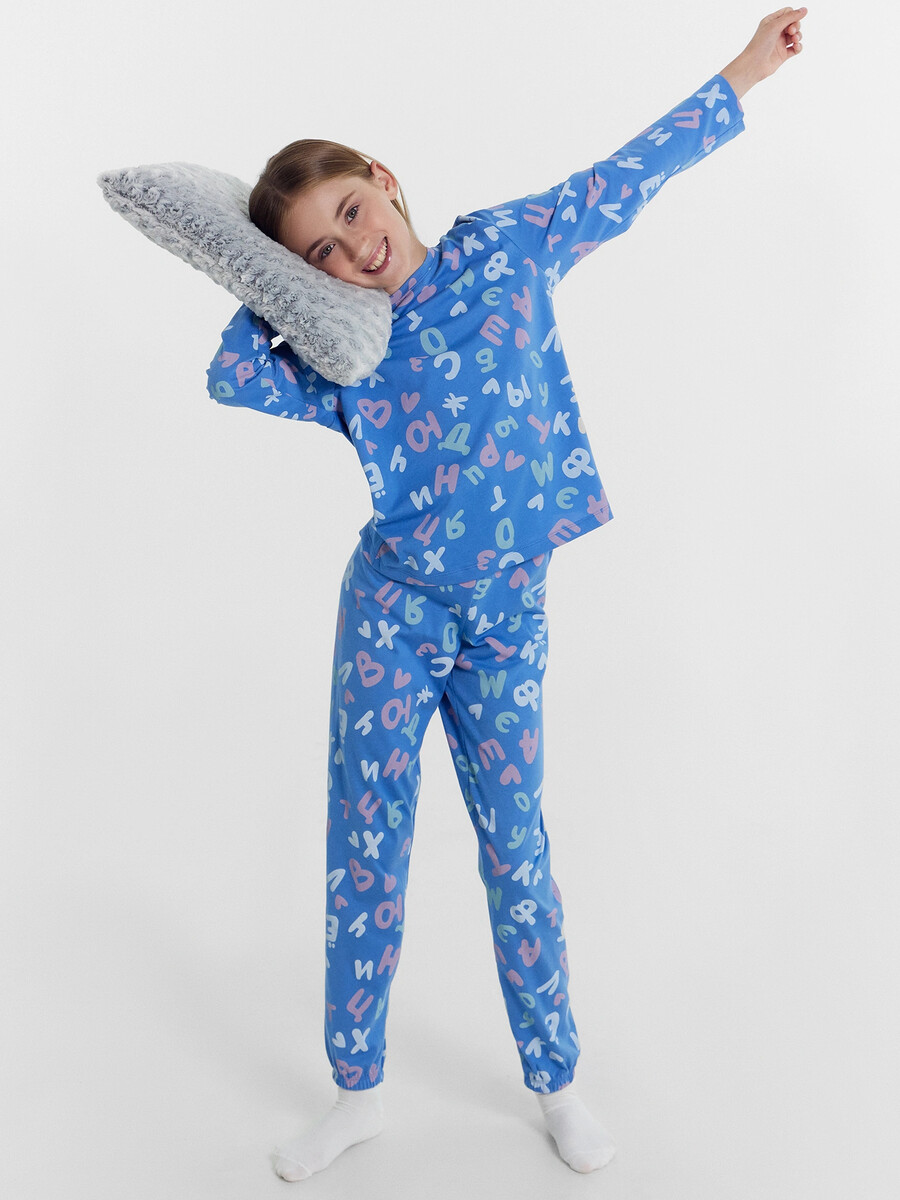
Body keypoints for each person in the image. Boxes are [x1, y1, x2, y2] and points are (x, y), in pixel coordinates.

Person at [206, 8, 807, 1180]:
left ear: (386, 180)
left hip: (505, 616)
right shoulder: (341, 345)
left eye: (351, 212)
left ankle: (557, 1081)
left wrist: (746, 70)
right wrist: (275, 279)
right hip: (390, 614)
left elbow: (626, 178)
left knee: (516, 846)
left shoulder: (506, 247)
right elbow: (232, 373)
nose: (352, 249)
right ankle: (357, 1089)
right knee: (367, 846)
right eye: (321, 251)